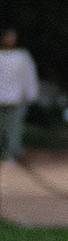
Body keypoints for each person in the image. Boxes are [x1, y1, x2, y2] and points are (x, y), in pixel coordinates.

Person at [0, 28, 36, 169]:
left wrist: (30, 94)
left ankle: (10, 155)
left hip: (16, 99)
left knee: (13, 129)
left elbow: (28, 76)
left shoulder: (22, 56)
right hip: (1, 99)